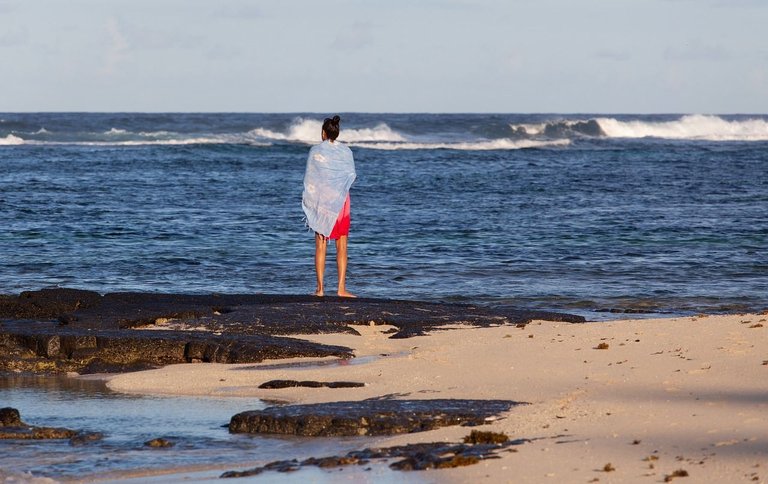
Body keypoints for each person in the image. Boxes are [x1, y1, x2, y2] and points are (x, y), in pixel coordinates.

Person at [302, 115, 356, 297]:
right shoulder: (346, 152)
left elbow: (311, 178)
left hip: (322, 200)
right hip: (341, 200)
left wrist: (310, 199)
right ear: (337, 132)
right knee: (342, 245)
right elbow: (350, 175)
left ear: (323, 133)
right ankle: (341, 289)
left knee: (321, 245)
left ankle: (320, 289)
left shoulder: (316, 151)